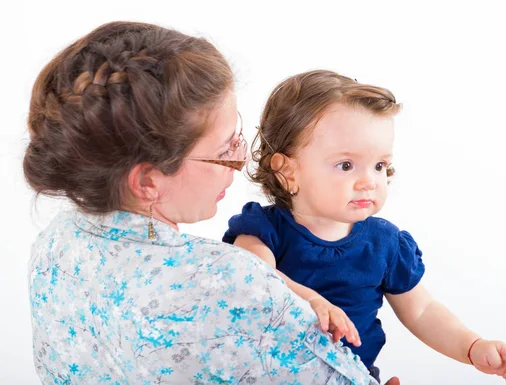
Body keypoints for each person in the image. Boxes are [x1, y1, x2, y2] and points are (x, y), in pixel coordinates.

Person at [23, 22, 400, 385]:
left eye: (238, 136)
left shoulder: (54, 244)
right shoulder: (228, 281)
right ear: (148, 181)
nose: (240, 162)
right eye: (224, 151)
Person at [223, 70, 506, 385]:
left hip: (354, 378)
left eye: (380, 165)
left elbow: (422, 311)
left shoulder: (383, 242)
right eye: (346, 165)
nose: (369, 181)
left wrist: (472, 346)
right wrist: (310, 301)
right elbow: (255, 280)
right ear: (288, 171)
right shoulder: (263, 230)